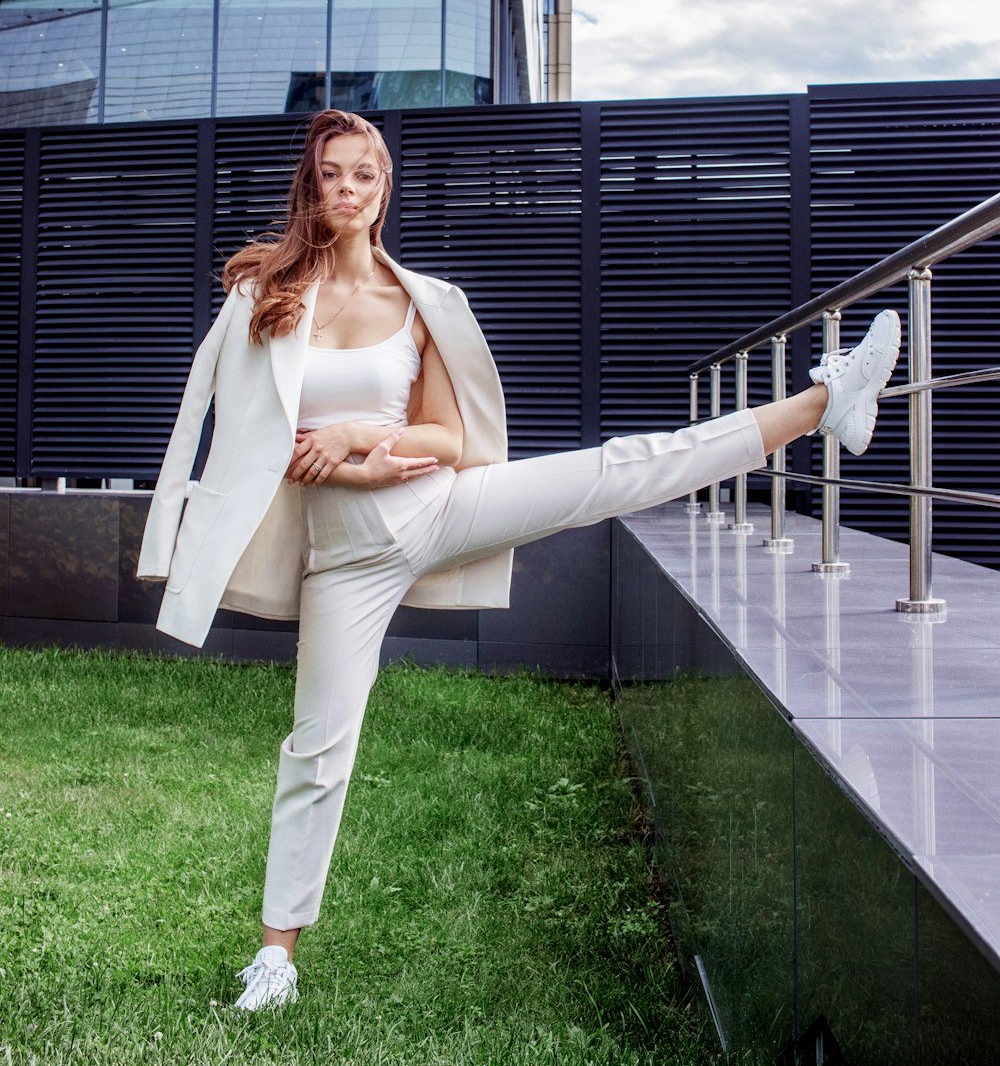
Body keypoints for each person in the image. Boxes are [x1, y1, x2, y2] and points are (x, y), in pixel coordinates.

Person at [136, 109, 901, 1011]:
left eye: (364, 176)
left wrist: (360, 442)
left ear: (386, 191)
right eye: (331, 175)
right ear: (312, 187)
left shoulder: (419, 303)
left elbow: (449, 438)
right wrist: (195, 523)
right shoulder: (265, 294)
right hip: (343, 561)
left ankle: (822, 402)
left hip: (433, 508)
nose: (347, 190)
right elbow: (217, 426)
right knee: (317, 747)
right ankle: (276, 959)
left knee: (618, 469)